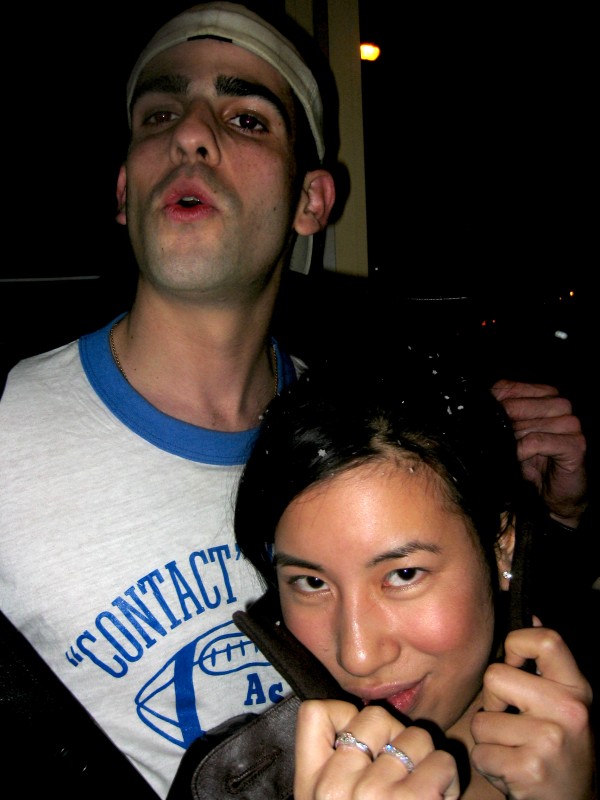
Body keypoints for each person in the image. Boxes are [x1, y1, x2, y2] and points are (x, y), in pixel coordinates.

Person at [0, 1, 593, 797]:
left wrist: (558, 520)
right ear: (123, 187)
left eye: (245, 119)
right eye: (160, 115)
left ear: (313, 201)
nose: (190, 135)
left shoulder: (368, 430)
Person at [234, 350, 597, 799]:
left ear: (502, 545)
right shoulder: (229, 783)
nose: (358, 657)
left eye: (404, 574)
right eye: (312, 583)